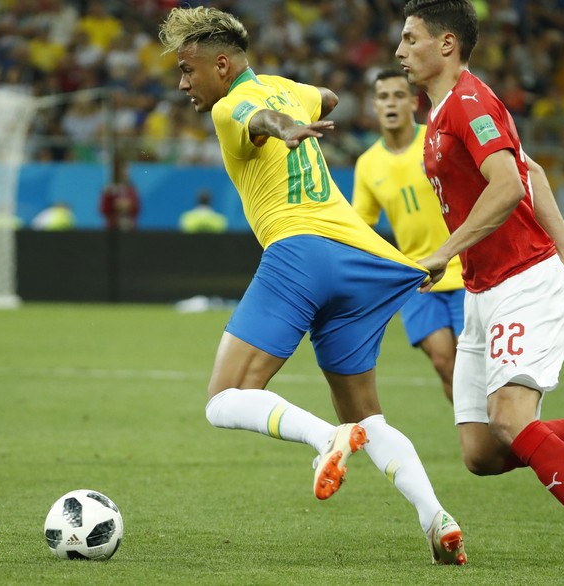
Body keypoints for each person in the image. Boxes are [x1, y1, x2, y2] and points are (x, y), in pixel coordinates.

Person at [159, 6, 466, 565]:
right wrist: (297, 110)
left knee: (223, 399)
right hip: (356, 259)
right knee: (368, 417)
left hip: (300, 252)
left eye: (187, 70)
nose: (182, 84)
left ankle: (325, 437)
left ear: (221, 65)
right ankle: (436, 519)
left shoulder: (231, 107)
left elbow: (256, 122)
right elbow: (327, 96)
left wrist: (279, 127)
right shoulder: (282, 89)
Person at [397, 0, 564, 569]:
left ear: (447, 45)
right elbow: (531, 171)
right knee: (481, 452)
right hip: (482, 291)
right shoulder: (442, 113)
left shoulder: (471, 103)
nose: (400, 50)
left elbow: (509, 186)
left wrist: (444, 254)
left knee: (511, 418)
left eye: (411, 39)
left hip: (522, 282)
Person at [353, 69, 465, 404]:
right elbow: (361, 227)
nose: (391, 102)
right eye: (383, 96)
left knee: (473, 362)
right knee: (445, 362)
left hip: (463, 267)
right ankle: (476, 435)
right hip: (417, 277)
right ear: (374, 105)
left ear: (414, 102)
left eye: (398, 95)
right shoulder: (368, 164)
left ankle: (492, 438)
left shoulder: (436, 141)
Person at [100, 159, 141, 231]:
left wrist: (128, 206)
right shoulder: (109, 189)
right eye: (123, 169)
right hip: (112, 229)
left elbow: (137, 208)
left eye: (127, 169)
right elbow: (104, 209)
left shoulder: (132, 190)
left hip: (130, 228)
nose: (126, 172)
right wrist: (115, 204)